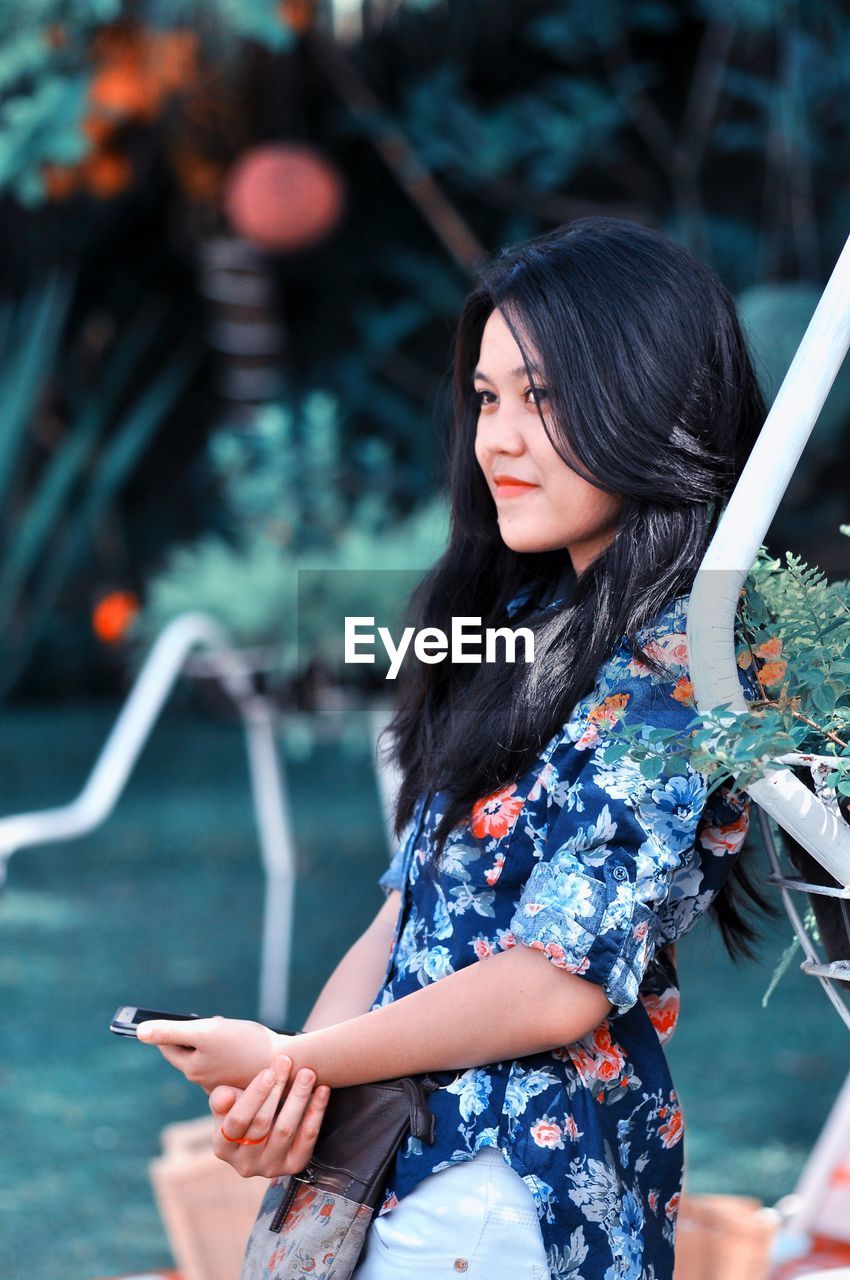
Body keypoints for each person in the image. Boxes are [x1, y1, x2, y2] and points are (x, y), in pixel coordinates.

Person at [137, 217, 780, 1279]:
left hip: (507, 1192)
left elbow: (555, 982)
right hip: (395, 1167)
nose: (497, 438)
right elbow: (410, 902)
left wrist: (300, 1057)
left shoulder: (688, 658)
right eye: (486, 398)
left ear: (651, 398)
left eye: (542, 395)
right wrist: (291, 1094)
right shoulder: (513, 616)